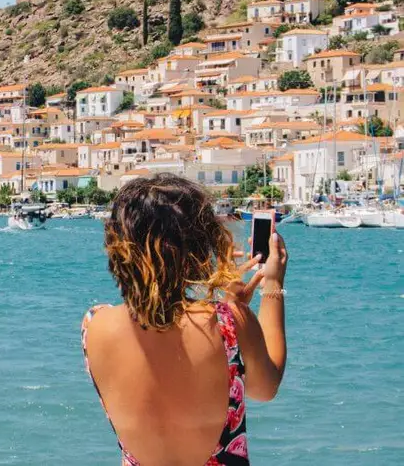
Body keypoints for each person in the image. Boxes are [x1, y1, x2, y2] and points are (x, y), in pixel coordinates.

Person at [81, 174, 287, 465]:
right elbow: (265, 388)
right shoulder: (229, 323)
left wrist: (231, 314)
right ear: (200, 248)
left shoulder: (95, 325)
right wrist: (273, 285)